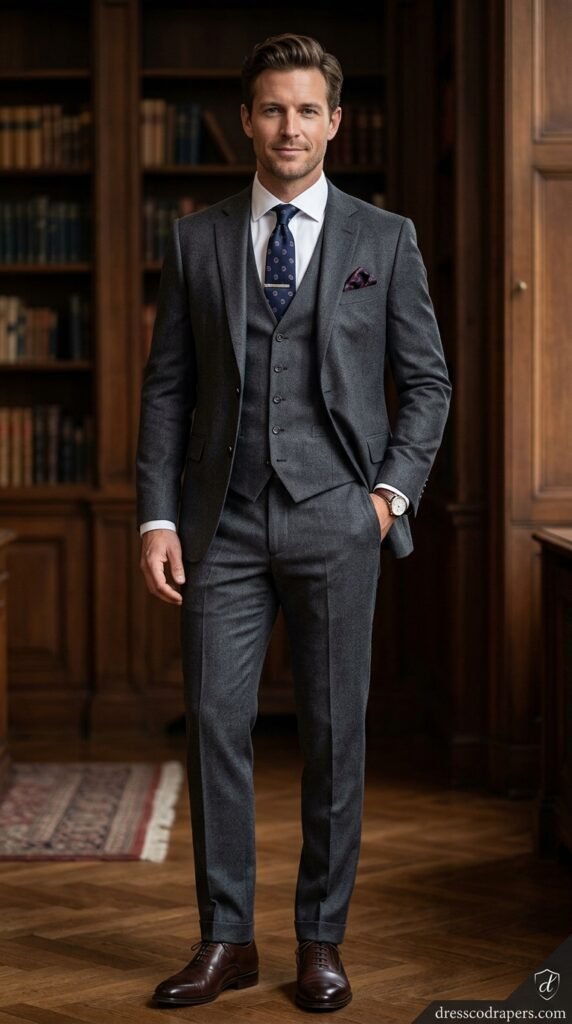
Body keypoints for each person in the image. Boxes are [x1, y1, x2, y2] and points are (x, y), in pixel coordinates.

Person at [136, 32, 451, 1012]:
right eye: (271, 108)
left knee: (331, 735)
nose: (288, 127)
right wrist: (156, 517)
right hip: (220, 525)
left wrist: (383, 498)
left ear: (333, 122)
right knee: (217, 731)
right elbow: (167, 393)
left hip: (334, 519)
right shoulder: (195, 239)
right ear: (246, 119)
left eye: (305, 109)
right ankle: (226, 939)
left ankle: (320, 939)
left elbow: (427, 385)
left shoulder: (382, 239)